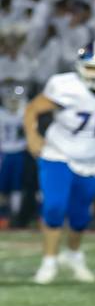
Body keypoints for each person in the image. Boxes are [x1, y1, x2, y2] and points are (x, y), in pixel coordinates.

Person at [24, 39, 95, 284]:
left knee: (81, 214)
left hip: (91, 158)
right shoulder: (64, 85)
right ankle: (48, 262)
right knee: (53, 206)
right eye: (90, 68)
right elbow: (33, 109)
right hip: (58, 153)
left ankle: (73, 254)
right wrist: (32, 135)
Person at [0, 83, 27, 228]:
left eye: (16, 99)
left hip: (20, 152)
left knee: (17, 186)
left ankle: (15, 216)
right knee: (2, 187)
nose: (13, 102)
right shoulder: (2, 114)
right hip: (4, 152)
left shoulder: (26, 111)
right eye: (10, 99)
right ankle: (3, 215)